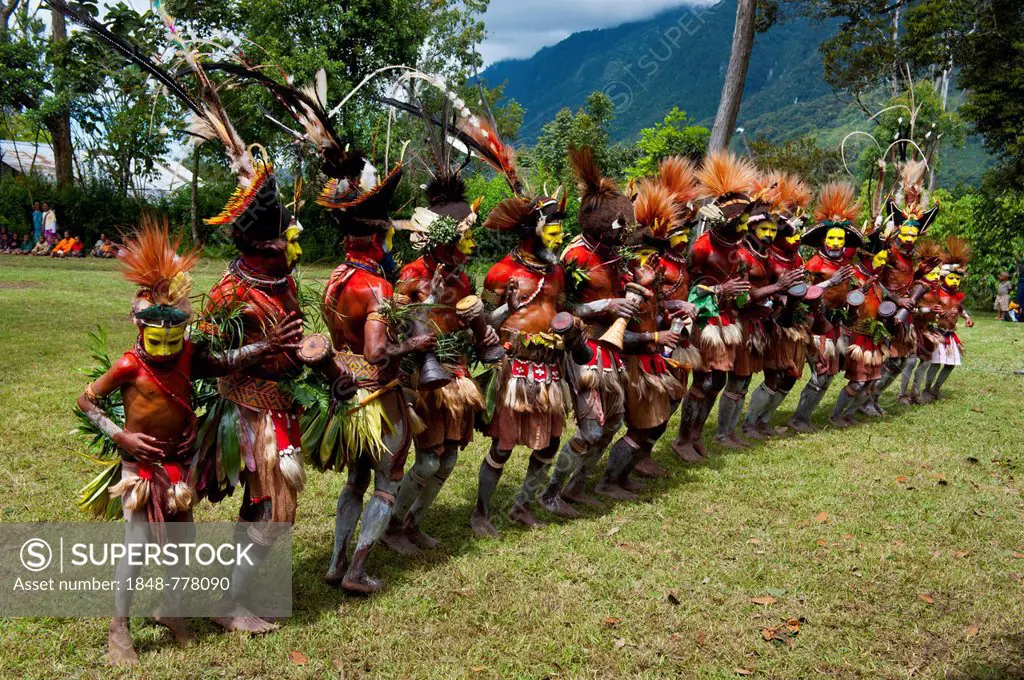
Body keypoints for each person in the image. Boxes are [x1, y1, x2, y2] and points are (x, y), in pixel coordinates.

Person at [75, 219, 302, 665]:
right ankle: (118, 628)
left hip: (180, 466)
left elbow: (222, 362)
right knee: (137, 545)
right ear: (139, 326)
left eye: (172, 335)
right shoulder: (127, 365)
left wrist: (265, 345)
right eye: (155, 336)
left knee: (181, 543)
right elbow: (86, 400)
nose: (164, 347)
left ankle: (171, 609)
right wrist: (121, 435)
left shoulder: (189, 354)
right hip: (140, 469)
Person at [312, 163, 439, 591]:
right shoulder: (375, 287)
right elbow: (375, 351)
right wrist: (413, 347)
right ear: (378, 238)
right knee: (387, 481)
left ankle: (335, 562)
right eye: (388, 238)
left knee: (355, 479)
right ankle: (356, 571)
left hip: (346, 397)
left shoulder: (335, 279)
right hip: (377, 399)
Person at [540, 147, 638, 512]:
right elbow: (560, 309)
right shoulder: (575, 256)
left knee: (613, 423)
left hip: (612, 350)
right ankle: (549, 493)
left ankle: (576, 486)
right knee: (592, 429)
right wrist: (604, 306)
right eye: (618, 227)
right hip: (584, 348)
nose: (623, 233)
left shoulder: (614, 255)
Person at [595, 179, 684, 499]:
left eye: (654, 253)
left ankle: (625, 473)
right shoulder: (625, 286)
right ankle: (608, 481)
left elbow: (655, 315)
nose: (654, 260)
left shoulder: (649, 281)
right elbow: (618, 336)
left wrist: (672, 314)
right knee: (641, 426)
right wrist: (656, 334)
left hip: (653, 358)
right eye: (647, 253)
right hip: (632, 362)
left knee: (660, 419)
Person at [670, 151, 756, 463]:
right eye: (741, 221)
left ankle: (695, 436)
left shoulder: (740, 247)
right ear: (725, 221)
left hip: (728, 323)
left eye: (746, 220)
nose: (745, 226)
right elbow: (687, 287)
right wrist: (721, 289)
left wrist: (741, 289)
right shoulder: (702, 248)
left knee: (718, 381)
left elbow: (741, 284)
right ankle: (681, 439)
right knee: (704, 380)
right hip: (705, 323)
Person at [741, 172, 816, 437]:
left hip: (790, 322)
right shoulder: (762, 254)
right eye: (767, 230)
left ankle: (763, 420)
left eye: (774, 230)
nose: (795, 239)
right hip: (768, 322)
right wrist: (781, 293)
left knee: (789, 375)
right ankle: (749, 422)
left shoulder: (792, 258)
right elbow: (756, 290)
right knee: (774, 374)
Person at [787, 183, 859, 432]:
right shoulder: (815, 263)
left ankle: (803, 418)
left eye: (841, 238)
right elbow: (802, 292)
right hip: (815, 325)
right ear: (823, 239)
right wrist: (831, 281)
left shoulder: (847, 262)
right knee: (820, 372)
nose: (837, 242)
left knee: (828, 374)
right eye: (832, 238)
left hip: (835, 326)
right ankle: (798, 419)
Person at [922, 236, 973, 401]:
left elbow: (960, 308)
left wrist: (967, 317)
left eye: (957, 279)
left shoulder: (956, 295)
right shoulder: (937, 293)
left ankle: (936, 388)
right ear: (943, 277)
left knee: (950, 364)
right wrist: (936, 314)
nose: (955, 281)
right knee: (936, 363)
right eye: (952, 278)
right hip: (937, 333)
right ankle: (927, 389)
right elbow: (929, 309)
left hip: (950, 335)